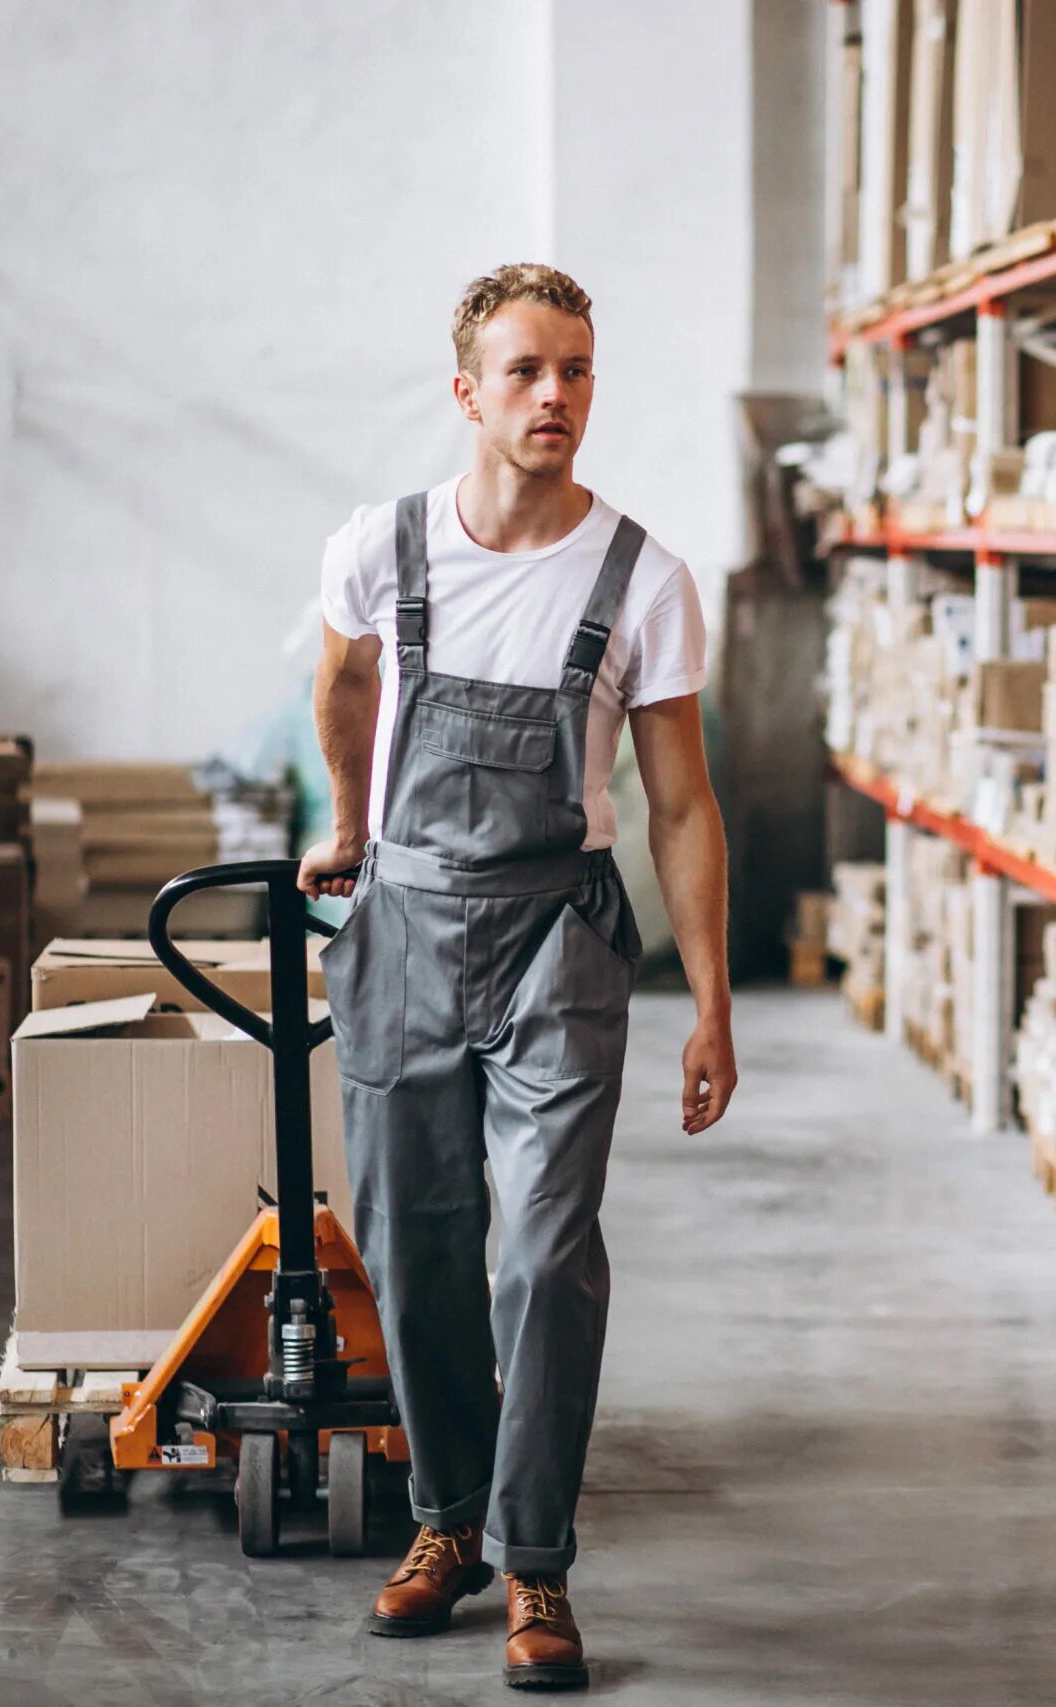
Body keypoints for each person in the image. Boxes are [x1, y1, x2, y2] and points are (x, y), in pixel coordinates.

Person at [299, 262, 737, 1692]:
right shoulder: (387, 547)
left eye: (578, 372)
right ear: (468, 392)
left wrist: (713, 1005)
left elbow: (681, 806)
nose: (556, 397)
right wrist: (351, 828)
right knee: (414, 1243)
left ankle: (535, 1563)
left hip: (560, 940)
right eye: (526, 372)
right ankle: (445, 1527)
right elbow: (344, 681)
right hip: (406, 931)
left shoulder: (641, 578)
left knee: (545, 1254)